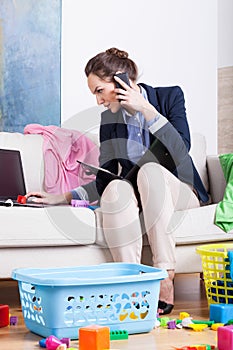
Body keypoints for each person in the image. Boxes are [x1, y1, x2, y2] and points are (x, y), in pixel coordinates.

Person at [26, 47, 209, 315]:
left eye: (99, 90)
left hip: (179, 191)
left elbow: (182, 149)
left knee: (150, 171)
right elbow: (105, 176)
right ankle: (131, 286)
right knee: (114, 189)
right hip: (140, 194)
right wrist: (61, 197)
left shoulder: (169, 96)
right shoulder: (109, 119)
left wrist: (146, 110)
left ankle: (164, 277)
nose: (98, 101)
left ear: (121, 80)